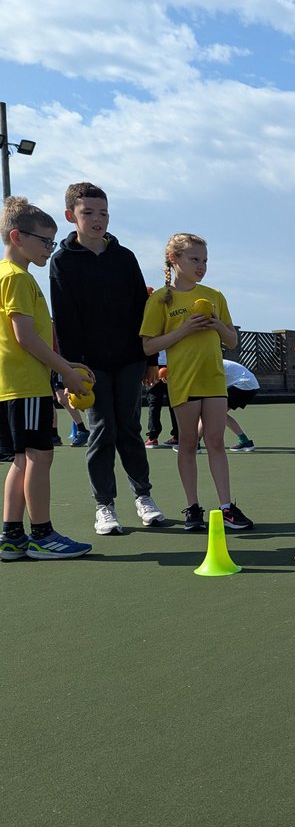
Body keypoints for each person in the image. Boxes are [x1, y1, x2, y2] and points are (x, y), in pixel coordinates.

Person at [49, 182, 165, 535]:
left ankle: (143, 497)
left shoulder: (125, 257)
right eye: (88, 213)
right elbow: (65, 318)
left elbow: (142, 311)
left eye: (103, 213)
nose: (97, 220)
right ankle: (105, 506)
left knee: (129, 428)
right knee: (102, 430)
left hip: (130, 360)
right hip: (89, 366)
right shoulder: (62, 261)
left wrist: (149, 360)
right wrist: (70, 370)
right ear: (72, 216)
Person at [139, 233, 253, 532]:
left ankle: (227, 507)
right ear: (174, 259)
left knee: (216, 442)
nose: (201, 265)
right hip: (183, 381)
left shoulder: (215, 296)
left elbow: (231, 340)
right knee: (188, 444)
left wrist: (216, 324)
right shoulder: (160, 299)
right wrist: (185, 329)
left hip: (213, 379)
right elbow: (149, 346)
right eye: (194, 259)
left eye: (204, 260)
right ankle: (192, 508)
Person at [0, 196, 93, 559]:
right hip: (24, 385)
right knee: (40, 457)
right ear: (17, 236)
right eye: (45, 241)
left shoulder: (11, 276)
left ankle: (11, 537)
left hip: (16, 386)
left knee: (23, 459)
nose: (49, 249)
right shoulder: (18, 278)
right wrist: (66, 370)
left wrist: (63, 365)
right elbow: (26, 338)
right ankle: (41, 535)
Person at [223, 359, 259, 451]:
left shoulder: (211, 364)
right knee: (217, 414)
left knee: (212, 414)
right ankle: (245, 442)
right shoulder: (212, 360)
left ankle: (195, 445)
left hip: (244, 385)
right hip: (249, 385)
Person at [144, 353, 178, 447]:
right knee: (155, 402)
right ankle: (153, 437)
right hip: (156, 365)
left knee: (173, 402)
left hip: (171, 364)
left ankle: (176, 437)